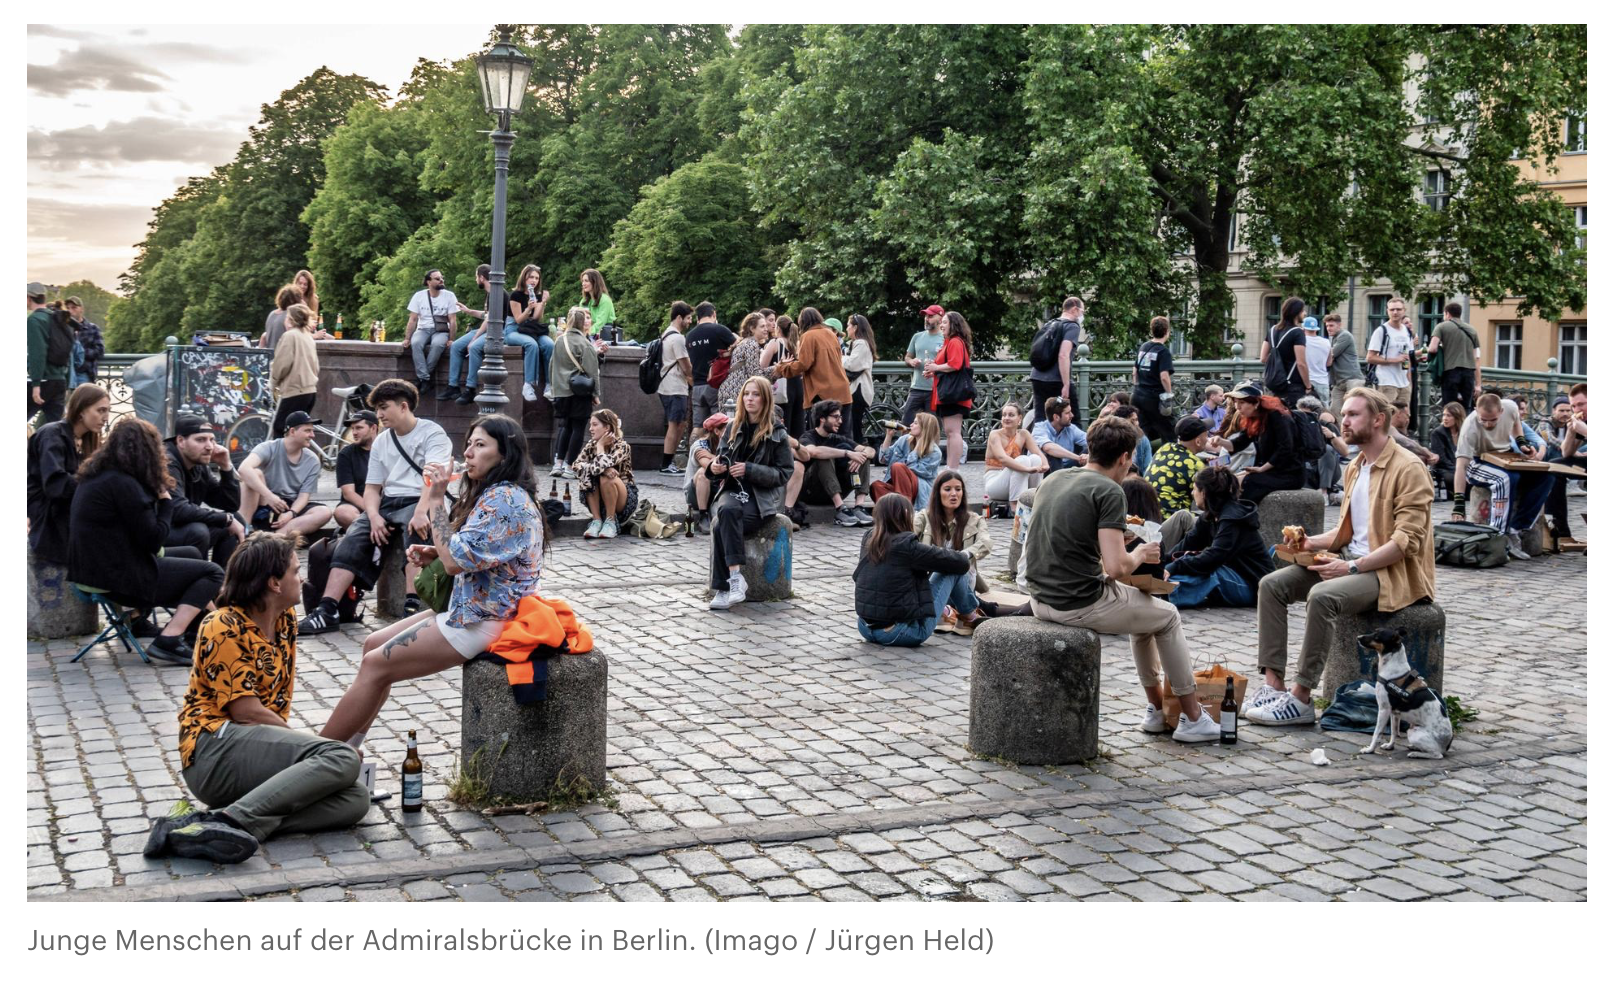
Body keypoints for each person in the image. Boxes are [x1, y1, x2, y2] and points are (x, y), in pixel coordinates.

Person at [320, 414, 549, 748]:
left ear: (505, 454)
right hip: (470, 605)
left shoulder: (505, 500)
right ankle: (347, 753)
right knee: (372, 646)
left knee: (374, 664)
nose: (467, 453)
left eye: (480, 445)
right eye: (468, 443)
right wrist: (435, 552)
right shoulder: (497, 493)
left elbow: (455, 563)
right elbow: (474, 552)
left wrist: (436, 499)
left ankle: (319, 755)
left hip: (485, 618)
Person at [155, 533, 370, 865]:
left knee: (355, 799)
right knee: (340, 757)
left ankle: (216, 823)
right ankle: (229, 821)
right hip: (212, 752)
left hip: (253, 750)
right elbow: (247, 712)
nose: (303, 578)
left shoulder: (284, 621)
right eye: (296, 571)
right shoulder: (222, 624)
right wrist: (314, 749)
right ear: (274, 583)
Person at [1023, 415, 1218, 743]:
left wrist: (1117, 540)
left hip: (1039, 598)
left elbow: (1071, 541)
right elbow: (1116, 569)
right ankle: (1193, 717)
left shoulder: (1055, 479)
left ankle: (1156, 710)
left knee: (1145, 614)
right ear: (1126, 457)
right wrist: (1141, 553)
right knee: (1168, 616)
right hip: (1076, 602)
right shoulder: (1110, 490)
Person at [1247, 388, 1435, 726]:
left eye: (1352, 415)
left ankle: (1301, 698)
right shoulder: (1356, 467)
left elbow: (1405, 543)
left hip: (1390, 574)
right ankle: (1273, 686)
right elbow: (1346, 532)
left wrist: (1349, 567)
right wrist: (1309, 543)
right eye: (1343, 414)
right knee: (1271, 585)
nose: (1343, 421)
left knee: (1322, 596)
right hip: (1352, 561)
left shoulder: (1409, 468)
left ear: (1378, 420)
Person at [68, 418, 225, 664]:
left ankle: (200, 630)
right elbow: (153, 540)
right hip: (113, 578)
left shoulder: (100, 476)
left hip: (92, 570)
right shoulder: (125, 484)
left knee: (193, 555)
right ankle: (169, 640)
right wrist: (165, 503)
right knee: (213, 573)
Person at [300, 380, 452, 633]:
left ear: (403, 406)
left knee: (416, 530)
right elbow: (372, 488)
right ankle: (327, 609)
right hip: (388, 502)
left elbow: (432, 477)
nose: (379, 414)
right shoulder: (382, 441)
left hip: (421, 498)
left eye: (383, 407)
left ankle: (412, 606)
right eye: (377, 409)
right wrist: (372, 516)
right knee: (353, 537)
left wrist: (420, 511)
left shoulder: (432, 433)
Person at [706, 376, 796, 610]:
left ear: (765, 399)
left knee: (721, 525)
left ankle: (723, 588)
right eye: (746, 394)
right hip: (732, 490)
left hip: (761, 498)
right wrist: (715, 467)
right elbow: (721, 458)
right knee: (727, 511)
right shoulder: (733, 426)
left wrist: (750, 469)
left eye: (755, 394)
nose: (750, 399)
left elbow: (784, 472)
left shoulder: (777, 433)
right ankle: (735, 578)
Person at [853, 493, 982, 645]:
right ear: (905, 514)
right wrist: (963, 553)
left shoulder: (869, 539)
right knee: (951, 568)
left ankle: (952, 613)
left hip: (865, 628)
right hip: (898, 633)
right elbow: (959, 563)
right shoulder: (906, 545)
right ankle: (969, 617)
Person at [1452, 392, 1552, 560]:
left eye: (1493, 420)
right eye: (1483, 420)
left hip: (1505, 457)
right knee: (1504, 480)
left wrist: (1522, 443)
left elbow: (1516, 423)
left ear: (1501, 411)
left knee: (1547, 477)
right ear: (1476, 410)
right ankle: (1498, 536)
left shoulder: (1511, 407)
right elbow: (1461, 466)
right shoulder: (1469, 427)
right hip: (1477, 462)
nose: (1488, 424)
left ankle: (1515, 528)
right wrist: (1458, 503)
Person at [1162, 466, 1270, 609]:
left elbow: (1215, 556)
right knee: (1186, 563)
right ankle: (1162, 586)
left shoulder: (1232, 519)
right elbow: (1187, 544)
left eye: (1194, 489)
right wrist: (1162, 564)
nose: (1192, 493)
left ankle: (1166, 595)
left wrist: (1175, 566)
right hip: (1232, 575)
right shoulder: (1209, 517)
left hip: (1253, 586)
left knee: (1211, 572)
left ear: (1204, 493)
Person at [28, 383, 109, 566]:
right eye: (100, 410)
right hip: (48, 518)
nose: (105, 418)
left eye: (107, 411)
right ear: (81, 410)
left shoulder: (86, 440)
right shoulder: (52, 434)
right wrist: (97, 484)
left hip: (69, 513)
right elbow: (56, 485)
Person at [444, 263, 541, 405]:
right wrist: (469, 311)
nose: (476, 280)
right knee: (456, 346)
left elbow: (491, 320)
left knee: (475, 347)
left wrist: (474, 339)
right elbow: (487, 315)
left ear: (481, 278)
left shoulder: (498, 293)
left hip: (498, 331)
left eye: (476, 277)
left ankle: (470, 388)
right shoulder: (490, 293)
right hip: (488, 328)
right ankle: (453, 386)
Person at [164, 413, 246, 569]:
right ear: (180, 441)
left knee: (235, 519)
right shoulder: (167, 462)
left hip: (180, 528)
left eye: (212, 440)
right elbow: (177, 509)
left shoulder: (198, 465)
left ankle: (222, 579)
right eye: (201, 440)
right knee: (198, 531)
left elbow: (230, 504)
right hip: (154, 535)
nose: (209, 447)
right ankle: (197, 579)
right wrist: (225, 519)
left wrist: (226, 467)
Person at [236, 410, 332, 538]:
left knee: (324, 512)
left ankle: (274, 539)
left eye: (312, 431)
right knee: (254, 473)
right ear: (292, 431)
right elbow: (243, 469)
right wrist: (269, 496)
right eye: (307, 431)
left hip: (289, 507)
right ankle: (244, 531)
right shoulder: (268, 447)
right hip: (264, 503)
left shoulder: (313, 460)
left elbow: (304, 496)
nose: (312, 435)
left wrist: (291, 513)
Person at [1207, 382, 1304, 504]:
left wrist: (1262, 469)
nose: (1237, 407)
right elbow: (1238, 444)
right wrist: (1221, 441)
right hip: (1270, 471)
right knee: (1231, 481)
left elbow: (1285, 449)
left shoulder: (1277, 416)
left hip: (1288, 474)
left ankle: (1242, 513)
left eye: (1242, 402)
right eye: (1236, 402)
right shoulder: (1255, 419)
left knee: (1246, 483)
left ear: (1256, 403)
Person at [915, 469, 994, 613]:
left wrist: (963, 555)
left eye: (958, 489)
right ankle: (975, 610)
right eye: (947, 489)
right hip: (929, 584)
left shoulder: (974, 519)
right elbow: (906, 539)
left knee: (954, 565)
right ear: (938, 493)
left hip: (963, 584)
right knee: (948, 565)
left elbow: (986, 542)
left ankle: (968, 609)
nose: (954, 494)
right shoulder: (923, 517)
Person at [767, 306, 852, 424]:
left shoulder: (808, 336)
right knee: (843, 432)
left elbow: (804, 364)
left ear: (803, 322)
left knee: (821, 432)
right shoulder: (831, 334)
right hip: (842, 390)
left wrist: (782, 368)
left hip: (822, 393)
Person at [797, 398, 875, 526]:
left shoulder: (837, 438)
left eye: (840, 417)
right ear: (822, 418)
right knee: (824, 456)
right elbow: (813, 452)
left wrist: (863, 455)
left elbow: (871, 450)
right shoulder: (808, 436)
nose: (840, 421)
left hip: (837, 489)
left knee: (863, 457)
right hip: (811, 492)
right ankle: (840, 508)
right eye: (836, 417)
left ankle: (859, 506)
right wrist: (847, 453)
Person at [548, 307, 602, 477]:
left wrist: (555, 388)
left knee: (565, 427)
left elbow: (551, 366)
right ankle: (570, 466)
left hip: (561, 392)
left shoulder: (559, 341)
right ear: (582, 323)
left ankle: (557, 464)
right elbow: (592, 372)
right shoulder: (584, 344)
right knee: (578, 428)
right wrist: (595, 394)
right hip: (579, 392)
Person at [572, 408, 637, 540]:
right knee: (592, 473)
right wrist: (603, 469)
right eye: (590, 425)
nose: (590, 429)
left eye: (595, 425)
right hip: (599, 499)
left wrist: (601, 446)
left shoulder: (622, 446)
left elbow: (602, 466)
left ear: (607, 427)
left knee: (606, 476)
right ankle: (596, 521)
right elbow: (576, 466)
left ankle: (610, 522)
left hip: (623, 500)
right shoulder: (591, 445)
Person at [924, 310, 973, 469]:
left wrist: (935, 367)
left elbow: (955, 364)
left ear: (954, 325)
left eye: (945, 322)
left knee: (953, 432)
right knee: (951, 432)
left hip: (954, 393)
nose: (941, 325)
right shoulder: (951, 341)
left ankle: (953, 468)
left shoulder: (955, 341)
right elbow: (950, 366)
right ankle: (951, 467)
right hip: (951, 392)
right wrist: (934, 371)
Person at [1029, 297, 1084, 422]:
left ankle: (1039, 436)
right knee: (1072, 419)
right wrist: (1066, 384)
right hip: (1056, 380)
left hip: (1037, 376)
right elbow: (1063, 355)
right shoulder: (1072, 326)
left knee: (1041, 418)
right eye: (1082, 312)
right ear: (1075, 309)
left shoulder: (1050, 323)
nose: (1082, 315)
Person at [270, 303, 320, 439]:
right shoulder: (308, 337)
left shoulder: (289, 336)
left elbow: (282, 364)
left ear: (291, 320)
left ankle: (282, 454)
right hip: (310, 391)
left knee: (281, 429)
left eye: (287, 317)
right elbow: (316, 366)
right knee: (298, 433)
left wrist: (273, 382)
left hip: (295, 391)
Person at [405, 269, 459, 393]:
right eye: (437, 279)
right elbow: (413, 319)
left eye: (442, 278)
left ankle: (423, 379)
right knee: (415, 343)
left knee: (437, 345)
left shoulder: (449, 296)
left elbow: (452, 320)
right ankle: (425, 379)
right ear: (428, 282)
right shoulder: (419, 296)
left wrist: (451, 339)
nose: (441, 280)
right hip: (423, 328)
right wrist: (407, 338)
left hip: (441, 330)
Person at [686, 301, 737, 433]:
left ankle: (694, 446)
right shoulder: (720, 330)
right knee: (719, 425)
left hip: (697, 387)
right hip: (716, 385)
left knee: (698, 427)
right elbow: (739, 347)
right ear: (714, 314)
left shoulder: (689, 336)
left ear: (697, 318)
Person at [872, 412, 943, 506]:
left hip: (918, 491)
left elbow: (916, 470)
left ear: (925, 428)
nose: (911, 425)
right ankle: (897, 509)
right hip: (899, 487)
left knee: (898, 467)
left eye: (915, 423)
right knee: (876, 486)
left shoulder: (934, 452)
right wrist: (888, 436)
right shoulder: (904, 440)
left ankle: (905, 507)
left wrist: (918, 446)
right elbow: (883, 459)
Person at [656, 301, 694, 473]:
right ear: (679, 317)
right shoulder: (678, 338)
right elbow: (686, 367)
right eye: (688, 318)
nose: (690, 322)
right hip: (675, 387)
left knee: (679, 424)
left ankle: (668, 462)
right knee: (676, 424)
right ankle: (666, 464)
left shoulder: (666, 334)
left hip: (667, 385)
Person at [985, 401, 1048, 502]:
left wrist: (1045, 465)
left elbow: (1038, 453)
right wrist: (1026, 469)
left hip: (1016, 481)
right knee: (1023, 460)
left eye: (1011, 415)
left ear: (1019, 418)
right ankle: (1015, 504)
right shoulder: (995, 434)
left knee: (1036, 459)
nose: (1006, 418)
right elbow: (1002, 458)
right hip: (995, 482)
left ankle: (1034, 499)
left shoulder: (1023, 434)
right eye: (1004, 415)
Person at [1146, 415, 1209, 516]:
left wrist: (1203, 460)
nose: (1208, 439)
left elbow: (1179, 462)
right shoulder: (1195, 465)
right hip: (1172, 518)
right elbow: (1205, 502)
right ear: (1198, 441)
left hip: (1148, 514)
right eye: (1206, 435)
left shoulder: (1165, 448)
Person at [509, 263, 554, 400]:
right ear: (524, 278)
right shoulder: (515, 295)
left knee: (549, 344)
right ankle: (528, 385)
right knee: (531, 344)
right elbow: (518, 320)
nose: (534, 281)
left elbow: (536, 318)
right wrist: (528, 308)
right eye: (531, 277)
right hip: (514, 330)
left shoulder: (537, 295)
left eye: (536, 278)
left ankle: (550, 384)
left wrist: (543, 302)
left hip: (532, 329)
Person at [1426, 301, 1482, 412]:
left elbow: (1432, 348)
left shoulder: (1441, 326)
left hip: (1450, 372)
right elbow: (1477, 358)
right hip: (1468, 374)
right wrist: (1478, 384)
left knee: (1449, 407)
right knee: (1466, 408)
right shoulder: (1472, 330)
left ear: (1447, 313)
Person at [1258, 296, 1312, 407]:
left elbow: (1263, 358)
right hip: (1292, 385)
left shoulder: (1272, 330)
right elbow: (1301, 363)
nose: (1305, 313)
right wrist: (1308, 386)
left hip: (1275, 384)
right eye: (1302, 310)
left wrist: (1278, 362)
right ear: (1296, 312)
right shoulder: (1298, 332)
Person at [27, 282, 68, 425]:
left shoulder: (34, 320)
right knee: (56, 428)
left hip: (43, 381)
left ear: (28, 298)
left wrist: (36, 384)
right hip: (60, 380)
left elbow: (37, 353)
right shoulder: (56, 317)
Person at [1131, 315, 1176, 443]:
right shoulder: (1163, 351)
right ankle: (1169, 455)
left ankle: (1139, 455)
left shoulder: (1144, 347)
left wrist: (1138, 388)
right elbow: (1164, 377)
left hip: (1138, 395)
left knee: (1141, 432)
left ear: (1152, 330)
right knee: (1168, 431)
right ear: (1167, 331)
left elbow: (1134, 372)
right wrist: (1169, 395)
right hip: (1154, 397)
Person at [1365, 296, 1416, 407]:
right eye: (1392, 309)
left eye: (1398, 309)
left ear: (1404, 311)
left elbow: (1408, 358)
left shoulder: (1407, 331)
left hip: (1404, 383)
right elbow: (1370, 357)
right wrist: (1394, 360)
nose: (1395, 312)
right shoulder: (1381, 331)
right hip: (1386, 382)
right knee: (1388, 413)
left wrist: (1409, 382)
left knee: (1404, 416)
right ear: (1387, 311)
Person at [334, 409, 379, 530]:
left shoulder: (387, 450)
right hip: (357, 504)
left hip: (384, 503)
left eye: (359, 428)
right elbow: (348, 493)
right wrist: (373, 512)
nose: (354, 432)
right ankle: (374, 532)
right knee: (342, 512)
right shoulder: (346, 454)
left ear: (373, 428)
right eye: (352, 428)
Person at [903, 306, 947, 426]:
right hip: (916, 388)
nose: (927, 319)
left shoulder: (945, 338)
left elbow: (951, 363)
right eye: (926, 316)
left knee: (932, 428)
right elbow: (907, 357)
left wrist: (936, 367)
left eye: (931, 316)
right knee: (906, 424)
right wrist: (911, 361)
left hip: (936, 390)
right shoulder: (917, 336)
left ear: (940, 319)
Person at [685, 412, 729, 534]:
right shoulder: (700, 445)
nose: (731, 431)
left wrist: (712, 456)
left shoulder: (729, 444)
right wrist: (717, 460)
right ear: (717, 431)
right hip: (695, 493)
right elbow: (710, 466)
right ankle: (703, 515)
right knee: (703, 472)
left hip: (717, 490)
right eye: (727, 428)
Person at [761, 314, 803, 438]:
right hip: (798, 386)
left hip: (782, 386)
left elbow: (762, 366)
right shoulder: (797, 344)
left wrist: (762, 353)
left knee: (783, 423)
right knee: (798, 423)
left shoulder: (775, 342)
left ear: (778, 329)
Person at [718, 311, 770, 413]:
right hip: (736, 393)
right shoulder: (751, 344)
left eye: (766, 326)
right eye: (762, 326)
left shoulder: (744, 342)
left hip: (729, 391)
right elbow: (754, 375)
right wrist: (776, 369)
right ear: (752, 328)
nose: (766, 329)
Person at [842, 313, 878, 451]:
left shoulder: (861, 343)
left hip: (858, 390)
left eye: (848, 325)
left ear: (855, 327)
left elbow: (852, 364)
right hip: (857, 390)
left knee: (853, 426)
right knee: (853, 424)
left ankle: (858, 454)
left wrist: (839, 357)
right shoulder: (857, 344)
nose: (846, 329)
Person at [1032, 396, 1087, 471]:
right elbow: (1048, 448)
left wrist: (1088, 457)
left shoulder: (1070, 428)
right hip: (1045, 470)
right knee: (1054, 455)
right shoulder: (1039, 428)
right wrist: (1078, 458)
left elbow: (1091, 440)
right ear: (1056, 417)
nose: (1072, 415)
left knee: (1094, 447)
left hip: (1066, 467)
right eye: (1067, 413)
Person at [1324, 313, 1363, 418]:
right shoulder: (1332, 338)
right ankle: (1343, 428)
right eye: (1327, 326)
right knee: (1335, 410)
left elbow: (1331, 354)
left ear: (1339, 325)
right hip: (1339, 381)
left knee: (1354, 409)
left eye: (1331, 325)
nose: (1328, 328)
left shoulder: (1345, 335)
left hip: (1352, 379)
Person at [64, 296, 105, 389]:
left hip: (83, 373)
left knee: (83, 398)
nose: (70, 311)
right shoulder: (63, 328)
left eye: (74, 307)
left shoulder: (92, 328)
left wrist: (80, 353)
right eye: (68, 308)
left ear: (81, 309)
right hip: (66, 373)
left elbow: (99, 351)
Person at [1429, 401, 1464, 499]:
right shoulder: (1437, 433)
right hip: (1444, 469)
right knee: (1454, 479)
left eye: (1449, 416)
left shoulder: (1464, 432)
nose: (1445, 418)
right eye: (1444, 415)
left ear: (1457, 417)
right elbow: (1442, 459)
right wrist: (1458, 471)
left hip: (1461, 468)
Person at [1111, 404, 1156, 474]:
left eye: (1136, 420)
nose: (1136, 424)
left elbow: (1147, 469)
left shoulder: (1143, 439)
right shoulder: (1111, 438)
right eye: (1132, 421)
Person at [259, 284, 301, 351]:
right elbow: (297, 337)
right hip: (283, 354)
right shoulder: (290, 316)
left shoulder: (272, 314)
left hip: (271, 354)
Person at [579, 268, 616, 340]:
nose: (583, 284)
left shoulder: (605, 300)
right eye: (582, 281)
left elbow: (600, 323)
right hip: (588, 335)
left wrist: (585, 333)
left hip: (605, 336)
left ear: (595, 282)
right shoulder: (584, 301)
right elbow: (580, 321)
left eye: (586, 281)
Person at [1302, 316, 1331, 408]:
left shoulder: (1301, 341)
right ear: (1316, 329)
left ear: (1303, 328)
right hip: (1323, 381)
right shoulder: (1326, 342)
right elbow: (1329, 363)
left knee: (1305, 409)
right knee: (1324, 409)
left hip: (1306, 381)